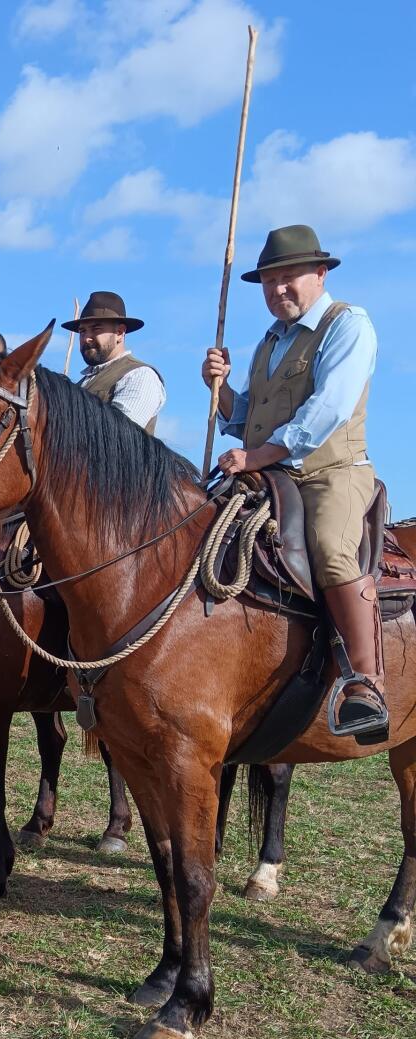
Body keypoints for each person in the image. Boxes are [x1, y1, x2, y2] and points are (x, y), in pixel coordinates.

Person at [202, 224, 385, 740]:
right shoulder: (268, 343)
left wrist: (258, 455)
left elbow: (327, 410)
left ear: (320, 274)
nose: (277, 288)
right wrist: (220, 389)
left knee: (330, 549)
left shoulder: (347, 324)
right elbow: (246, 420)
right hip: (267, 476)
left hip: (330, 473)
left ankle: (365, 684)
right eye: (268, 280)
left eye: (289, 277)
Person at [64, 291, 166, 433]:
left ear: (119, 332)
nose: (87, 338)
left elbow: (119, 434)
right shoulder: (80, 385)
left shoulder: (139, 375)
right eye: (82, 331)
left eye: (96, 329)